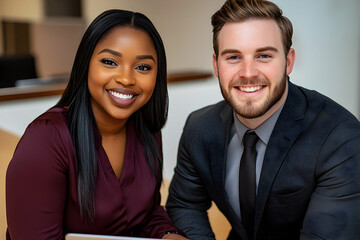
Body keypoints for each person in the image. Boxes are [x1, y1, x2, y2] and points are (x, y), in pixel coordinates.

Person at [166, 0, 360, 239]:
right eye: (234, 57)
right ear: (216, 65)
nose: (248, 73)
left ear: (288, 62)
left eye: (264, 55)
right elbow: (185, 205)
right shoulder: (200, 126)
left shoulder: (340, 136)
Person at [6, 9, 187, 240]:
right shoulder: (45, 140)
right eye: (110, 62)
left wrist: (169, 234)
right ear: (86, 64)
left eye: (143, 67)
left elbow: (146, 214)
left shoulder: (147, 131)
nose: (126, 79)